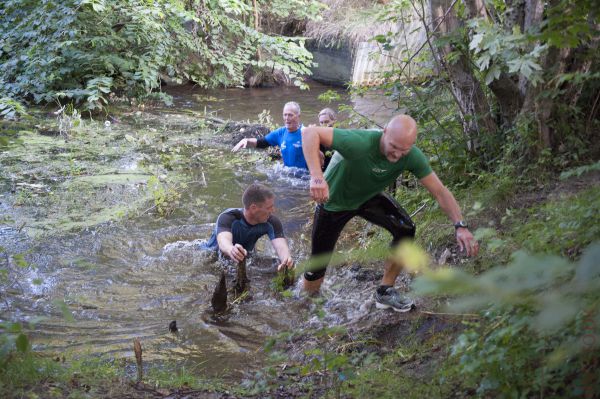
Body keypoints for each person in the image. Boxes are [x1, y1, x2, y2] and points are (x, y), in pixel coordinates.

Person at [300, 114, 479, 312]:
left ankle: (385, 292)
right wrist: (316, 177)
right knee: (319, 262)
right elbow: (310, 132)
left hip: (367, 196)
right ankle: (308, 305)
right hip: (333, 202)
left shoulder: (410, 155)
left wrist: (460, 225)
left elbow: (440, 191)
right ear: (384, 132)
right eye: (394, 147)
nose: (397, 155)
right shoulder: (359, 142)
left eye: (404, 150)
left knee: (405, 229)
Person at [203, 183, 294, 271]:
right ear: (253, 208)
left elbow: (281, 247)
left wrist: (286, 261)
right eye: (269, 207)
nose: (273, 210)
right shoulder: (228, 217)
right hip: (211, 257)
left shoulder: (272, 222)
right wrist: (231, 250)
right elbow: (223, 241)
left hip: (246, 257)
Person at [232, 102, 307, 170]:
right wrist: (247, 140)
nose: (287, 118)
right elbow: (262, 142)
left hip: (305, 178)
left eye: (290, 115)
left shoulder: (307, 133)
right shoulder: (280, 133)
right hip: (288, 176)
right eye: (285, 115)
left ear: (298, 116)